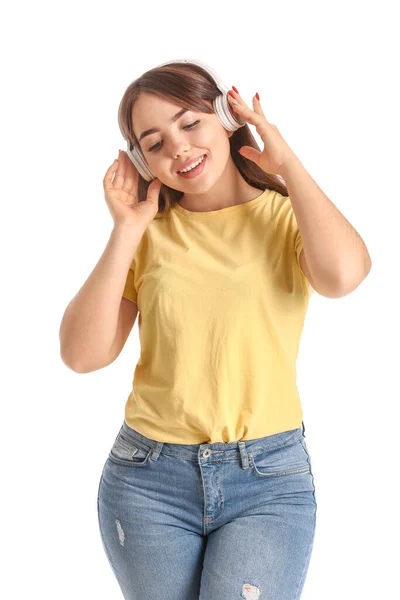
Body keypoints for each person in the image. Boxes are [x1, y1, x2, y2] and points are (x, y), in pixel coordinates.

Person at [59, 59, 370, 599]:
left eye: (189, 123)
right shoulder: (147, 236)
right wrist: (127, 229)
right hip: (147, 479)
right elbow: (82, 355)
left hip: (268, 480)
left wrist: (287, 161)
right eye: (153, 143)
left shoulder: (286, 217)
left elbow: (344, 276)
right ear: (142, 161)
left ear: (226, 116)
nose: (177, 148)